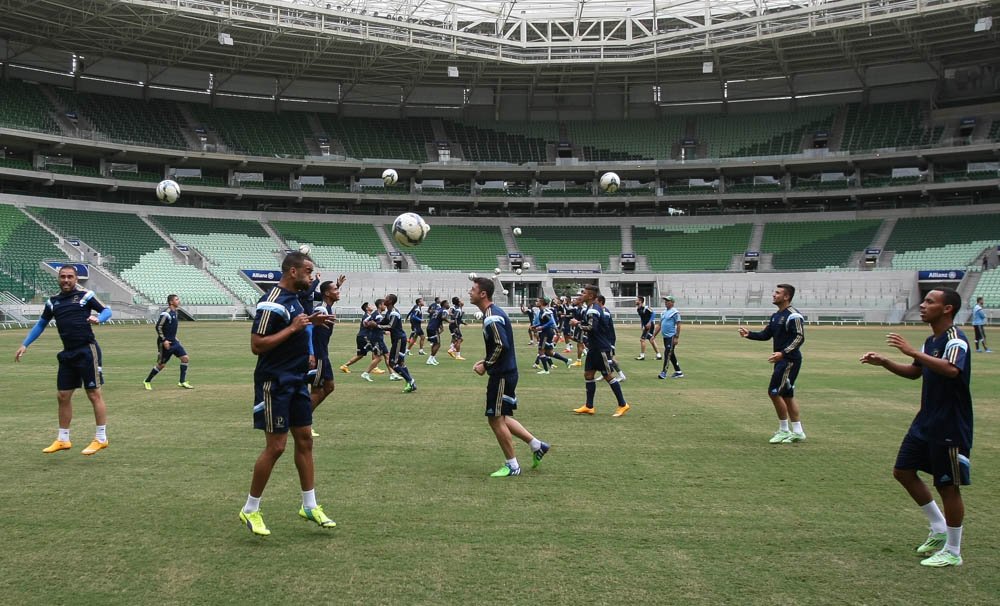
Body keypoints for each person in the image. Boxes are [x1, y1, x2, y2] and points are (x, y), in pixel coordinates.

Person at [860, 288, 973, 567]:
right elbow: (915, 372)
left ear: (947, 309)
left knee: (948, 486)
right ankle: (938, 526)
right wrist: (885, 361)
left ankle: (953, 551)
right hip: (925, 420)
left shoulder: (955, 340)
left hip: (949, 423)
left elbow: (951, 369)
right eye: (923, 301)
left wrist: (912, 351)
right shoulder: (930, 340)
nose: (922, 305)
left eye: (930, 302)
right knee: (903, 470)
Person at [239, 252, 337, 537]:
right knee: (277, 446)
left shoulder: (295, 300)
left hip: (296, 381)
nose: (312, 276)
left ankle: (310, 505)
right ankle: (249, 509)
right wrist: (294, 328)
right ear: (292, 272)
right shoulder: (273, 302)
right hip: (275, 382)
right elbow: (257, 344)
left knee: (305, 440)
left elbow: (296, 327)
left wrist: (309, 324)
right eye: (308, 271)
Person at [15, 265, 113, 455]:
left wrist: (99, 319)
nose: (66, 280)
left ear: (76, 279)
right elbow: (41, 323)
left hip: (87, 350)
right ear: (58, 279)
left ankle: (101, 438)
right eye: (63, 277)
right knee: (62, 396)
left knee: (93, 393)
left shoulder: (86, 296)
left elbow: (106, 310)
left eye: (70, 277)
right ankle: (63, 439)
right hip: (67, 354)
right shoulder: (53, 302)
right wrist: (25, 344)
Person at [469, 277, 550, 477]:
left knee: (494, 419)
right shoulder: (492, 313)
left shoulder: (491, 317)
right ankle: (536, 445)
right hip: (506, 372)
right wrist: (485, 360)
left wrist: (486, 365)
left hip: (502, 375)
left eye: (472, 289)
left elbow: (500, 345)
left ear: (483, 294)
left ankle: (512, 465)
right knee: (502, 416)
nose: (469, 292)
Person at [737, 284, 806, 444]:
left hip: (789, 361)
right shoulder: (776, 316)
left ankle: (784, 430)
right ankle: (798, 431)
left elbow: (799, 337)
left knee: (774, 392)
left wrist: (783, 353)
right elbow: (766, 334)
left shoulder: (793, 315)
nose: (773, 295)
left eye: (777, 293)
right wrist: (749, 334)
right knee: (787, 395)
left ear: (786, 296)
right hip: (782, 360)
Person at [571, 285, 631, 417]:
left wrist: (577, 324)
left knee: (608, 375)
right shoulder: (590, 308)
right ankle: (589, 406)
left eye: (584, 293)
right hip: (594, 348)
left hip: (600, 348)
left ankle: (623, 404)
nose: (582, 295)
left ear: (591, 296)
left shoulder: (594, 309)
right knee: (588, 375)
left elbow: (592, 327)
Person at [309, 280, 340, 433]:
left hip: (323, 354)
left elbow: (329, 294)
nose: (338, 291)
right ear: (327, 293)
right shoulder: (321, 309)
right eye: (335, 289)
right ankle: (303, 423)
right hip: (318, 355)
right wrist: (311, 353)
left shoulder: (327, 306)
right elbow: (308, 328)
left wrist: (337, 285)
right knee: (316, 389)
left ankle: (302, 418)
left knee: (329, 387)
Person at [144, 294, 192, 390]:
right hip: (165, 343)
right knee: (161, 365)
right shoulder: (166, 313)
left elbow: (170, 327)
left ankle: (182, 381)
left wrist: (174, 337)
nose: (179, 301)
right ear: (171, 302)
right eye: (176, 299)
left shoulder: (175, 312)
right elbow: (158, 327)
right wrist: (164, 340)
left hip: (174, 341)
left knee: (185, 358)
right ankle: (147, 381)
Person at [377, 293, 418, 393]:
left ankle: (410, 381)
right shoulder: (389, 312)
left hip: (399, 339)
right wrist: (372, 323)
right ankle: (411, 383)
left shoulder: (394, 313)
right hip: (398, 339)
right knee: (400, 362)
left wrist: (377, 326)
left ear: (390, 301)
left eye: (386, 298)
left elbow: (390, 326)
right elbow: (383, 322)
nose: (384, 299)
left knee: (392, 362)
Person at [535, 297, 571, 374]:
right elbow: (544, 322)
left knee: (541, 351)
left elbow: (551, 322)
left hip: (546, 333)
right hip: (547, 332)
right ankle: (567, 360)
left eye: (537, 301)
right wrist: (536, 326)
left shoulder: (545, 311)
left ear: (541, 303)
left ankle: (546, 370)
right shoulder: (542, 311)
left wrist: (541, 327)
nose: (536, 302)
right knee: (549, 352)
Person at [653, 295, 683, 379]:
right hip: (665, 337)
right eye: (665, 301)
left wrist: (677, 337)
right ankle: (678, 372)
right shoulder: (663, 312)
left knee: (667, 353)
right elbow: (659, 325)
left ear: (672, 303)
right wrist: (653, 335)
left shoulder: (675, 312)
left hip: (671, 336)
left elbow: (678, 324)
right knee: (671, 353)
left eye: (668, 301)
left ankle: (664, 372)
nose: (666, 302)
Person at [339, 302, 373, 373]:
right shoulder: (367, 317)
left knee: (360, 355)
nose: (372, 306)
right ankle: (375, 368)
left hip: (362, 337)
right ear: (367, 308)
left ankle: (344, 366)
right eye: (370, 305)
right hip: (364, 337)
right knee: (375, 350)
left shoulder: (368, 316)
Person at [635, 296, 661, 361]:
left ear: (640, 301)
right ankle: (659, 355)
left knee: (642, 339)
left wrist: (649, 323)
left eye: (637, 300)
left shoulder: (646, 308)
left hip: (649, 325)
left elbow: (653, 314)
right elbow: (642, 318)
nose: (635, 301)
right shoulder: (638, 309)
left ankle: (642, 355)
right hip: (646, 326)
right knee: (651, 339)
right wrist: (642, 326)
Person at [425, 299, 449, 365]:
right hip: (434, 328)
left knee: (434, 343)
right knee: (438, 344)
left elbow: (437, 318)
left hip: (430, 327)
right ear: (444, 304)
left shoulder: (438, 310)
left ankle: (433, 358)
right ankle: (430, 359)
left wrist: (441, 327)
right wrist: (449, 321)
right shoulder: (444, 310)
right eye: (447, 303)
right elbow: (443, 317)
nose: (448, 305)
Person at [447, 296, 466, 360]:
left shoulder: (453, 307)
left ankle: (452, 348)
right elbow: (455, 317)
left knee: (455, 339)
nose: (461, 301)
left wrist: (462, 322)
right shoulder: (458, 309)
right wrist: (456, 324)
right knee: (459, 340)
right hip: (455, 326)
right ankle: (457, 354)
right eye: (460, 301)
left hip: (451, 325)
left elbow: (450, 313)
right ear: (458, 302)